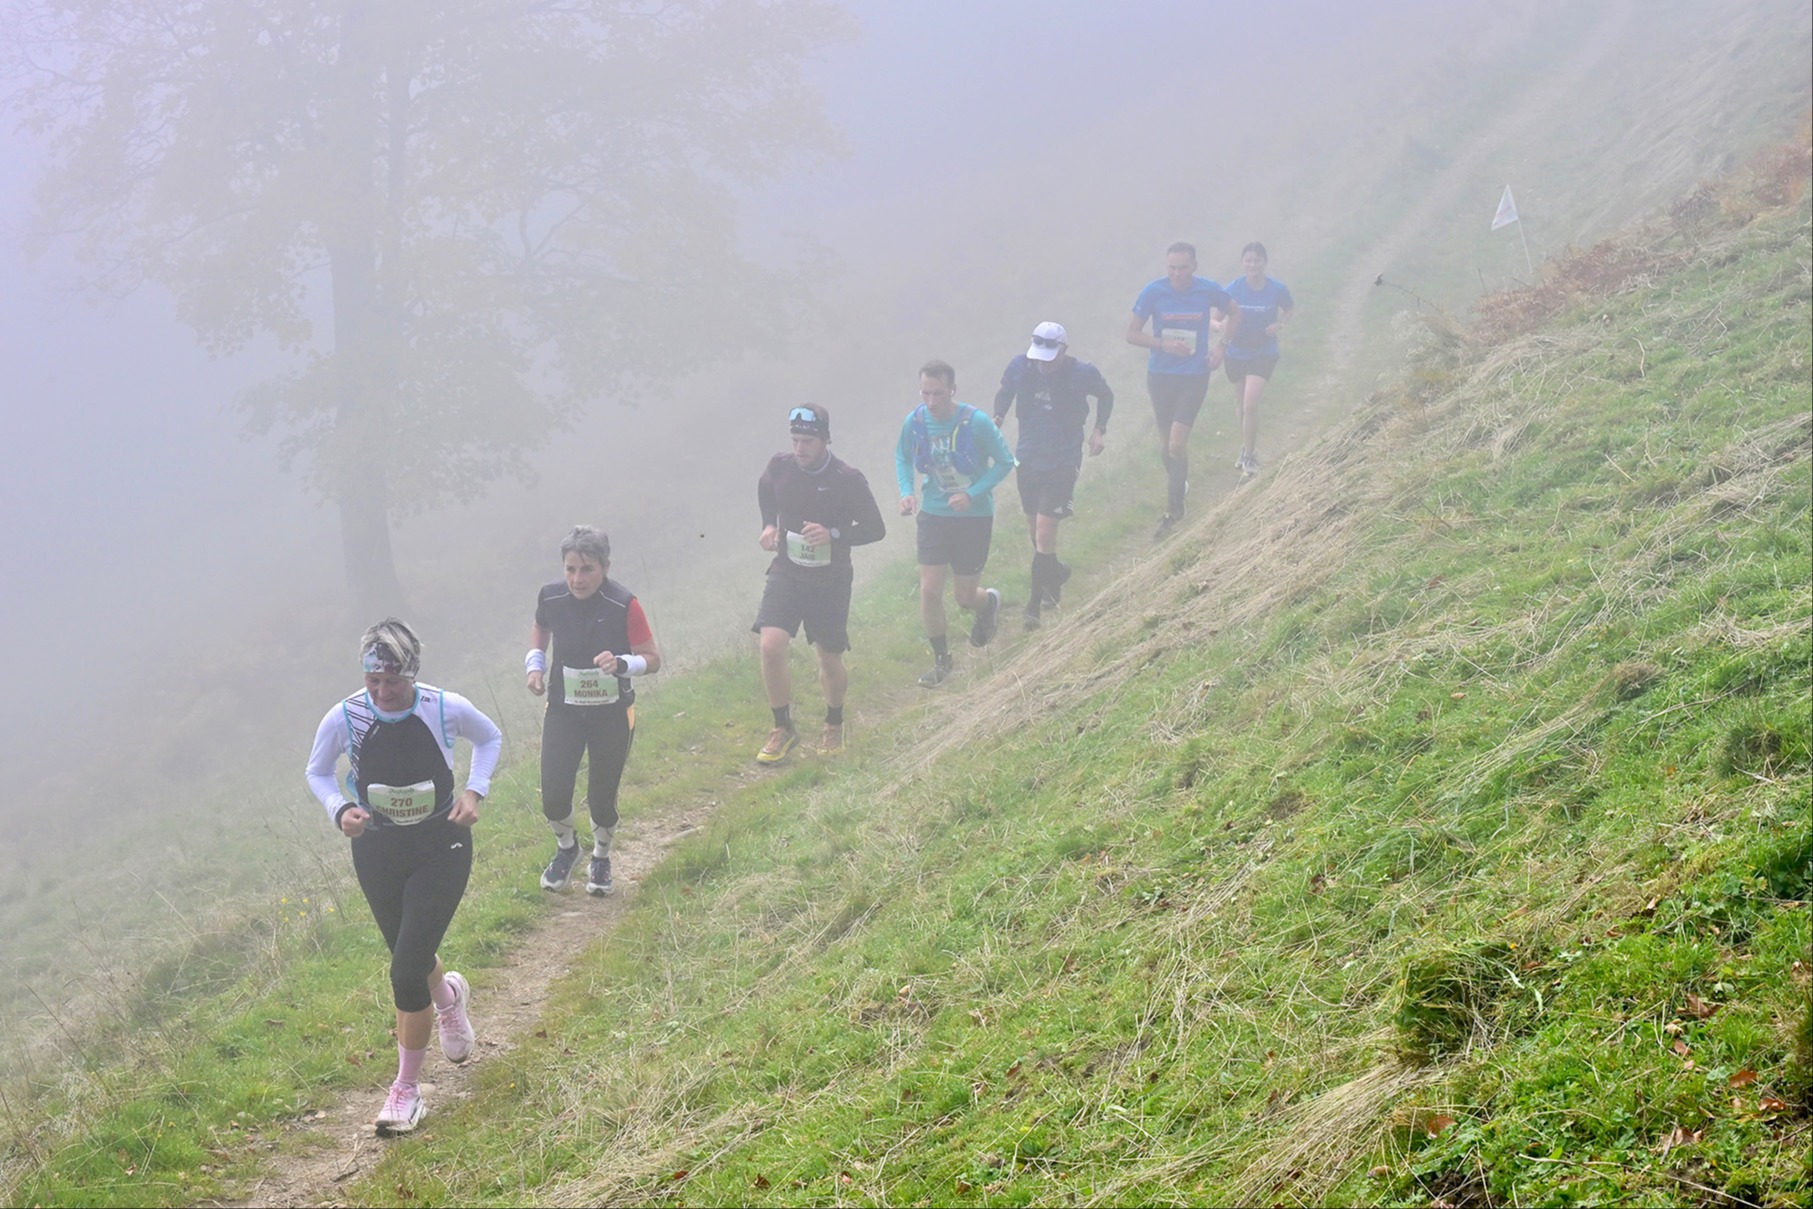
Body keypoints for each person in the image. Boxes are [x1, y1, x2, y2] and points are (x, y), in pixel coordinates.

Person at [304, 619, 503, 1136]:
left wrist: (474, 792)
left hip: (443, 844)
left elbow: (490, 737)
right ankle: (449, 1000)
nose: (383, 692)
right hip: (378, 850)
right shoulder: (346, 715)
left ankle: (406, 1090)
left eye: (392, 681)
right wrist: (339, 808)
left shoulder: (443, 706)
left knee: (404, 969)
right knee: (406, 954)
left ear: (411, 672)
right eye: (373, 681)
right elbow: (317, 771)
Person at [526, 525, 661, 898]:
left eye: (587, 570)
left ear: (605, 566)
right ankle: (568, 848)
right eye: (570, 569)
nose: (577, 578)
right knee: (553, 794)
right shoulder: (551, 597)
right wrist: (534, 666)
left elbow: (653, 659)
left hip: (612, 714)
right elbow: (540, 627)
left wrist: (621, 663)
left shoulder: (623, 603)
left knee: (601, 796)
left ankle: (601, 856)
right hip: (564, 710)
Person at [752, 404, 886, 761]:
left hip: (830, 579)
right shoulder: (779, 466)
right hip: (787, 572)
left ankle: (834, 723)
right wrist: (768, 525)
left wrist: (833, 534)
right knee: (770, 645)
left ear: (825, 439)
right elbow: (766, 490)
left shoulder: (847, 479)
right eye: (795, 440)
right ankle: (782, 727)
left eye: (808, 441)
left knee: (828, 658)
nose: (800, 449)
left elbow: (876, 529)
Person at [895, 359, 1015, 685]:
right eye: (925, 393)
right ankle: (942, 663)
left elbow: (1005, 462)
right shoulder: (915, 420)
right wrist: (907, 492)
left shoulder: (976, 422)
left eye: (938, 394)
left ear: (952, 390)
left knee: (964, 597)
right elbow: (904, 456)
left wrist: (972, 494)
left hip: (973, 518)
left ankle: (988, 602)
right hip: (934, 514)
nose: (931, 402)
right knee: (929, 590)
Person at [992, 322, 1114, 629]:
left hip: (1063, 460)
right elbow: (1005, 392)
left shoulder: (1082, 373)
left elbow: (1106, 395)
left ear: (1063, 351)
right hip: (1028, 459)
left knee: (1045, 533)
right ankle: (1056, 574)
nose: (1042, 364)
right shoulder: (1021, 366)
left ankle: (1034, 606)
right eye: (1038, 357)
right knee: (1035, 533)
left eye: (1048, 357)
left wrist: (1099, 430)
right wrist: (997, 417)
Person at [1126, 241, 1240, 538]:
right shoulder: (1154, 291)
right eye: (1172, 268)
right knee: (1166, 446)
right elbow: (1132, 334)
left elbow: (1236, 313)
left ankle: (1173, 511)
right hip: (1161, 375)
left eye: (1183, 268)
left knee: (1177, 444)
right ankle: (1180, 483)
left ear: (1195, 266)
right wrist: (1162, 343)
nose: (1177, 274)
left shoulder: (1208, 289)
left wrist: (1221, 348)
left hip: (1194, 375)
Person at [1222, 242, 1295, 476]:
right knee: (1241, 405)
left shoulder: (1277, 288)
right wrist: (1220, 325)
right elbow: (1214, 318)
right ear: (1242, 262)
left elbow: (1289, 309)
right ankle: (1245, 447)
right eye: (1248, 260)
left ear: (1264, 262)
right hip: (1235, 352)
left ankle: (1250, 458)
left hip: (1264, 351)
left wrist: (1280, 324)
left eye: (1257, 260)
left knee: (1250, 404)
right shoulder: (1233, 288)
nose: (1252, 264)